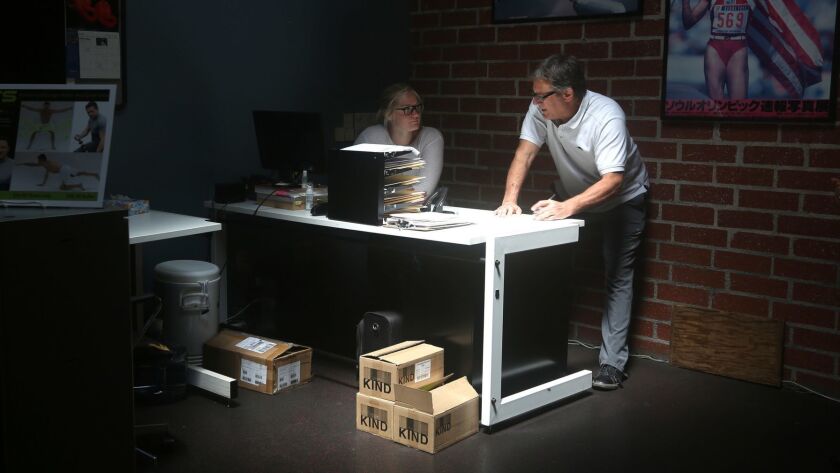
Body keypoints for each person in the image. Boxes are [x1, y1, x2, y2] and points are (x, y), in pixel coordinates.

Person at [495, 54, 649, 390]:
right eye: (534, 96)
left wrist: (567, 207)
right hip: (572, 197)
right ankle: (536, 356)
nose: (536, 103)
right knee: (549, 263)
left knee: (617, 277)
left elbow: (613, 180)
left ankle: (611, 366)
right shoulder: (541, 110)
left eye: (541, 96)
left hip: (622, 200)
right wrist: (509, 200)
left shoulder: (607, 116)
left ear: (567, 94)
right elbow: (524, 153)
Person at [354, 83, 443, 196]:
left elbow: (421, 193)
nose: (415, 114)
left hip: (417, 212)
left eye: (417, 107)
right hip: (371, 211)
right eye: (407, 109)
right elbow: (356, 184)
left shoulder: (430, 137)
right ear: (388, 114)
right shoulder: (370, 137)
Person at [682, 0, 753, 100]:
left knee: (739, 107)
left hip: (738, 49)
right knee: (716, 106)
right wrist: (685, 3)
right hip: (715, 48)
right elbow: (688, 23)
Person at [17, 153, 99, 191]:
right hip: (66, 167)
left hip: (63, 170)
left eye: (39, 160)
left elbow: (33, 165)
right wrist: (43, 183)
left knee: (62, 188)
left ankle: (78, 185)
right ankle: (94, 174)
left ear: (42, 160)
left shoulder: (45, 164)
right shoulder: (46, 163)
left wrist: (23, 163)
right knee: (79, 173)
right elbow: (46, 173)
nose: (38, 161)